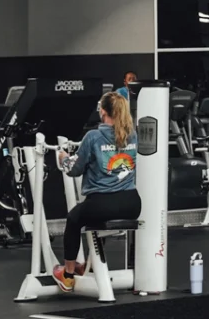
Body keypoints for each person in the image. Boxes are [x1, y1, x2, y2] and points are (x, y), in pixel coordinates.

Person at [52, 91, 140, 292]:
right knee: (95, 220)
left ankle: (67, 274)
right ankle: (86, 267)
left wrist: (63, 158)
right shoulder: (132, 135)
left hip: (103, 204)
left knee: (74, 218)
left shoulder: (93, 136)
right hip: (132, 203)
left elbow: (75, 170)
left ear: (103, 111)